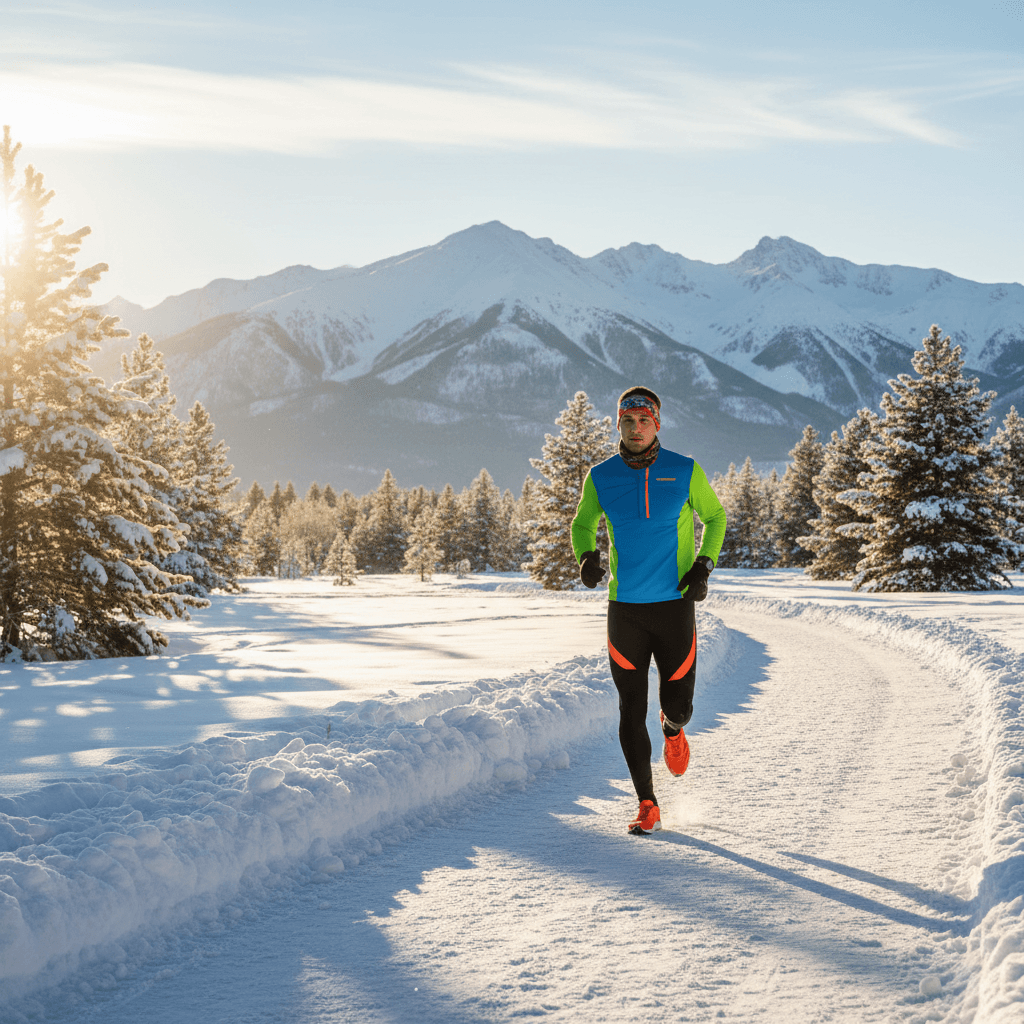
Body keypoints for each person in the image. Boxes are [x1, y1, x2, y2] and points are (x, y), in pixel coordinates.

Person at [571, 386, 726, 835]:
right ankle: (647, 802)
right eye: (627, 420)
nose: (635, 428)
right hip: (626, 612)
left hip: (674, 608)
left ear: (656, 423)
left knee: (677, 706)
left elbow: (715, 517)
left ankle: (674, 729)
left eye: (644, 420)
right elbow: (583, 523)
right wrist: (586, 556)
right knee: (629, 708)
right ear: (617, 424)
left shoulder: (683, 470)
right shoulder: (601, 476)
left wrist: (704, 564)